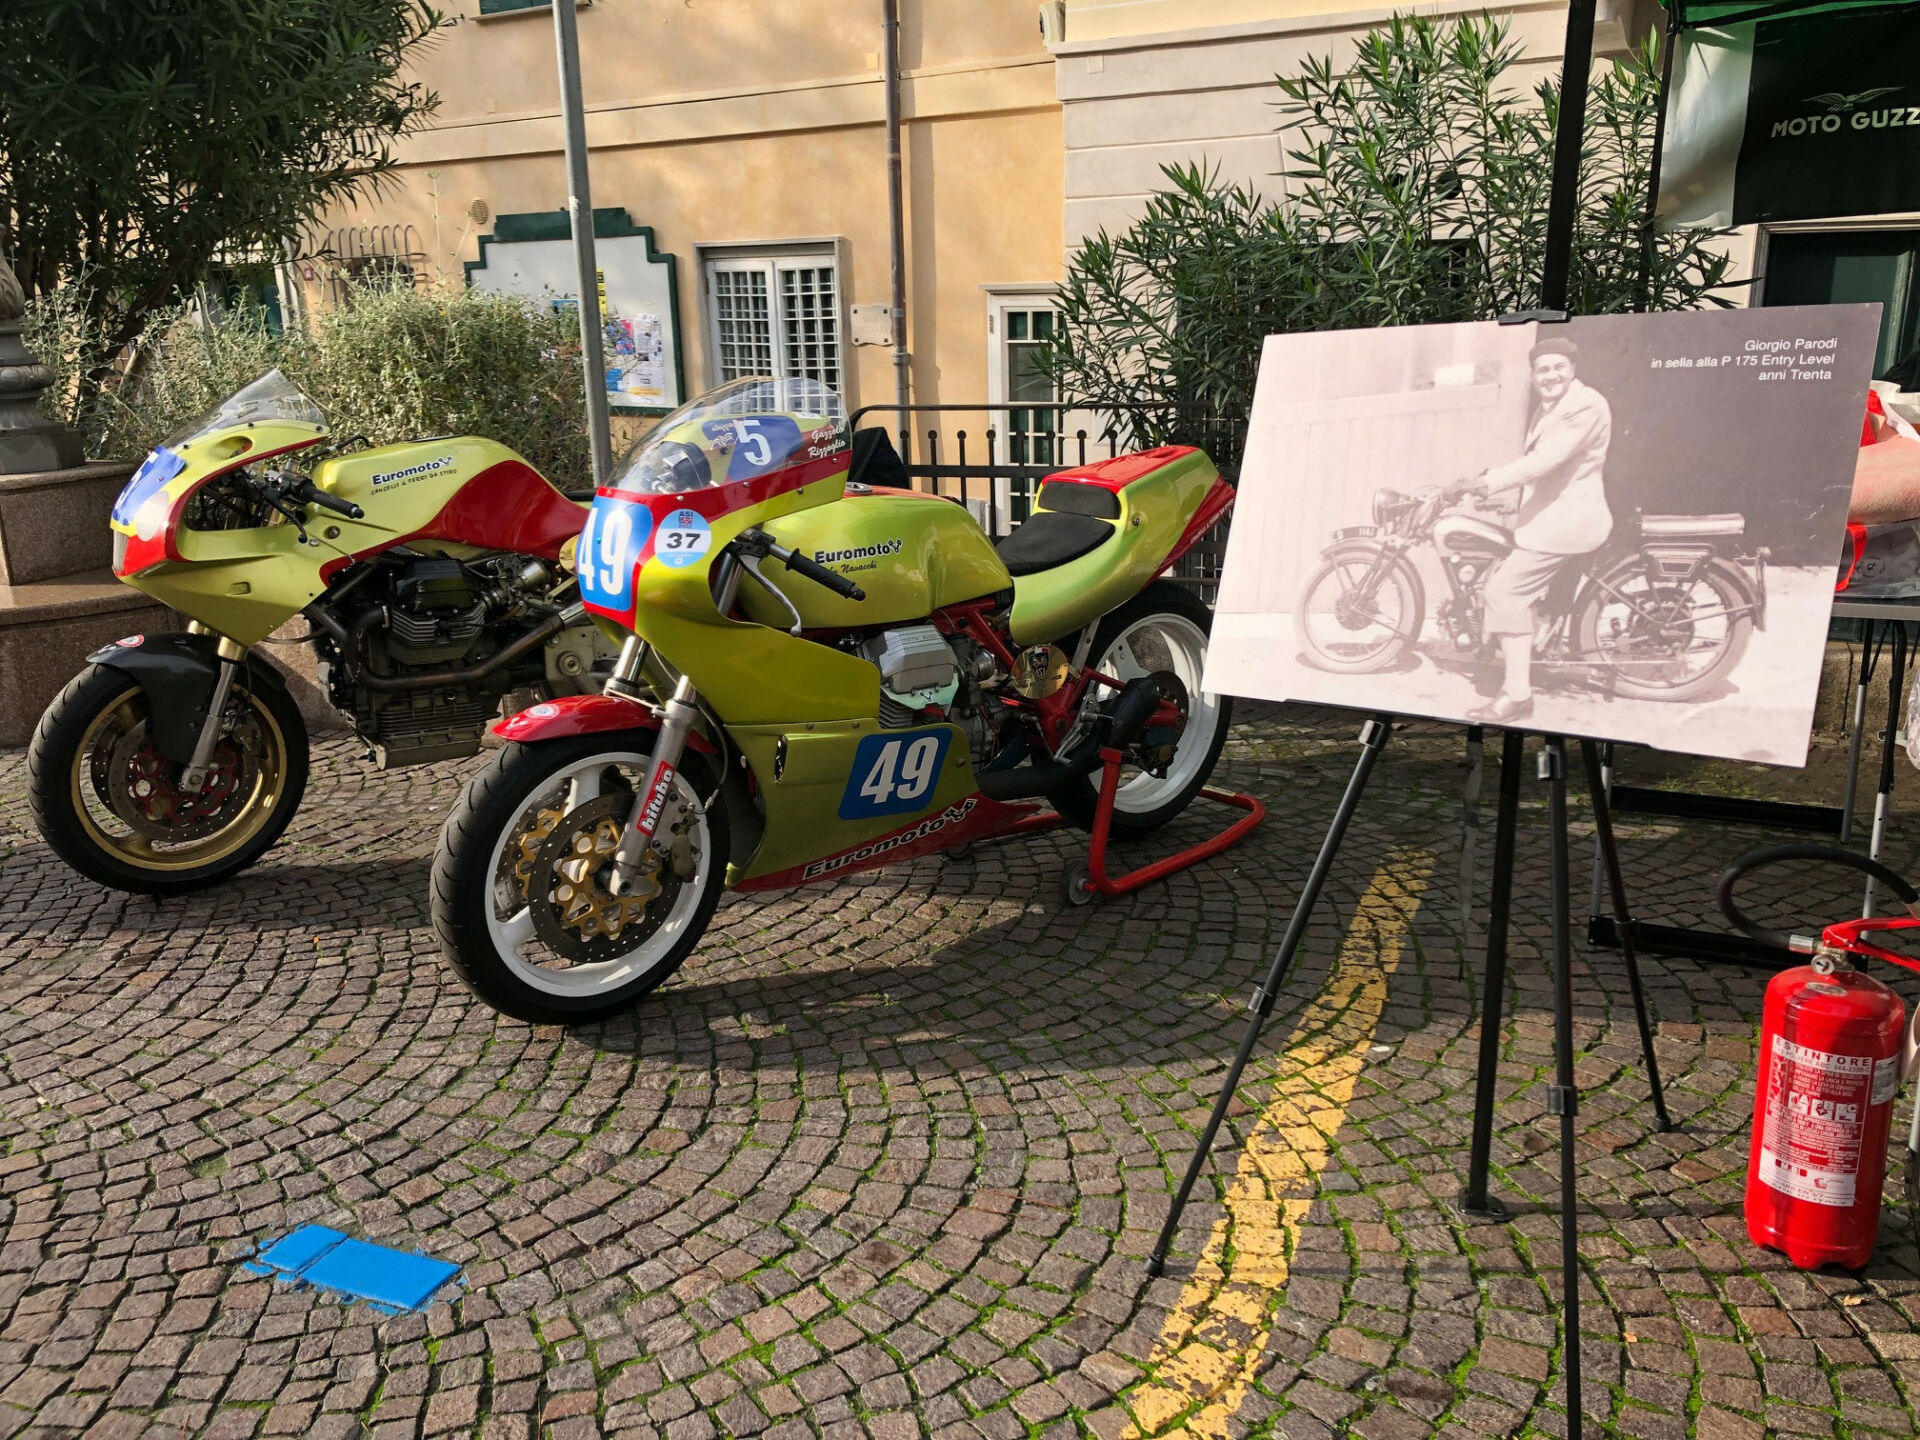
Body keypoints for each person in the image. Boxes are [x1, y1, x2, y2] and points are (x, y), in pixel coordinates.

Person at [1451, 336, 1613, 723]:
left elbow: (1545, 461)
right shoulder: (1554, 405)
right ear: (1534, 375)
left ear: (1573, 369)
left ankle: (1517, 694)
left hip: (1567, 521)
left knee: (1503, 591)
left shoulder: (1584, 405)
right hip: (1552, 514)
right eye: (1543, 369)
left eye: (1558, 367)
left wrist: (1486, 482)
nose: (1551, 375)